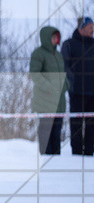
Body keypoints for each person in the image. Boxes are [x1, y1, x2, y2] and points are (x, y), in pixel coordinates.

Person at [29, 26, 68, 155]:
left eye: (57, 37)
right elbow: (35, 74)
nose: (55, 39)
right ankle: (45, 157)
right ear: (46, 38)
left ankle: (56, 160)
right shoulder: (38, 53)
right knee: (46, 130)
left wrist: (67, 85)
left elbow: (63, 74)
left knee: (57, 132)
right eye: (53, 37)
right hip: (45, 100)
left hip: (59, 101)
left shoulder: (58, 55)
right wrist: (49, 88)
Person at [61, 16, 94, 156]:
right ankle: (76, 153)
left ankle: (89, 152)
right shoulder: (69, 44)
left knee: (92, 125)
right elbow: (64, 66)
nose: (93, 29)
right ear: (82, 28)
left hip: (93, 93)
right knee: (76, 124)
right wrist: (71, 84)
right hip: (76, 92)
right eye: (90, 26)